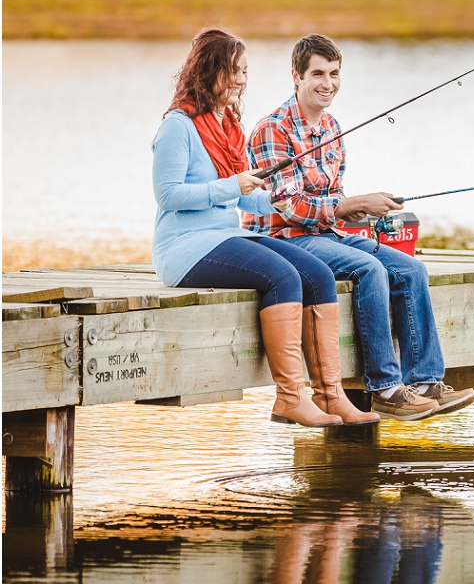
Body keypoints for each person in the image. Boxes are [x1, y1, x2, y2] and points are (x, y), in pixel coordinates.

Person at [152, 28, 380, 428]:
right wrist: (231, 185)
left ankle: (330, 395)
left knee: (318, 274)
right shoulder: (179, 125)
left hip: (226, 235)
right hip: (184, 247)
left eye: (244, 71)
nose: (241, 79)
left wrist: (270, 199)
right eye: (234, 71)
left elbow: (242, 199)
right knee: (282, 276)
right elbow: (168, 195)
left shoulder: (226, 126)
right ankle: (289, 398)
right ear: (210, 70)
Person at [244, 33, 474, 422]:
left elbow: (332, 200)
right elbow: (290, 206)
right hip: (283, 239)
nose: (327, 83)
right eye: (318, 73)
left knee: (410, 268)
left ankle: (425, 382)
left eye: (334, 74)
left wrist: (359, 212)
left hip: (326, 235)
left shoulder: (333, 128)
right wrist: (350, 204)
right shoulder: (273, 129)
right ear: (296, 76)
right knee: (370, 270)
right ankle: (386, 388)